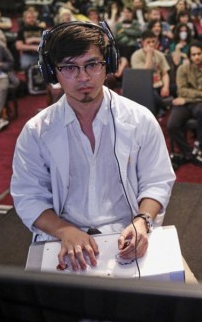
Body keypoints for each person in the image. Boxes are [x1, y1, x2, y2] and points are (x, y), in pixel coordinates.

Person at [11, 22, 176, 272]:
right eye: (69, 67)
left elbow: (158, 181)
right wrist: (64, 230)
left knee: (187, 299)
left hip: (129, 231)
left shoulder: (140, 120)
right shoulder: (36, 132)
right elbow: (28, 196)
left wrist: (142, 221)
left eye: (92, 64)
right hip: (61, 236)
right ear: (52, 72)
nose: (84, 77)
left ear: (107, 64)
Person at [167, 41, 202, 170]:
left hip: (198, 104)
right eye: (193, 54)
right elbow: (181, 91)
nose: (196, 57)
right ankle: (190, 154)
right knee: (171, 125)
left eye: (199, 54)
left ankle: (201, 146)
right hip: (185, 104)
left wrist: (186, 98)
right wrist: (201, 93)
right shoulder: (183, 69)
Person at [130, 30, 171, 115]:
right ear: (142, 43)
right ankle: (163, 105)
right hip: (144, 85)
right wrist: (149, 54)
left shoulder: (160, 55)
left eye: (153, 42)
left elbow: (165, 73)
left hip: (159, 84)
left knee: (174, 87)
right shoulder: (136, 56)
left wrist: (165, 87)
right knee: (151, 92)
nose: (151, 44)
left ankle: (162, 105)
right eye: (148, 42)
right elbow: (144, 75)